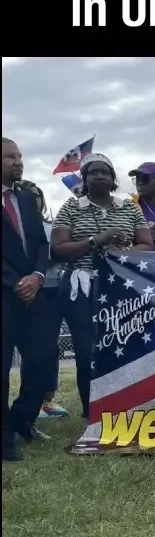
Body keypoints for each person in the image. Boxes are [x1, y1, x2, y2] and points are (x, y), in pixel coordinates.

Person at [51, 154, 153, 420]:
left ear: (113, 178)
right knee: (86, 353)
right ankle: (92, 412)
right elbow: (58, 250)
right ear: (84, 179)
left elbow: (147, 244)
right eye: (92, 172)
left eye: (104, 172)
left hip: (120, 288)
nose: (98, 176)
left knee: (124, 347)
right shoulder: (72, 207)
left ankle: (124, 407)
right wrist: (96, 240)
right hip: (81, 288)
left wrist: (123, 251)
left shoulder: (129, 207)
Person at [2, 138, 53, 461]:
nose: (18, 161)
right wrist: (16, 282)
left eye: (20, 156)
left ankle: (20, 420)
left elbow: (39, 245)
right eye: (10, 156)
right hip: (5, 295)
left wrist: (37, 276)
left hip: (33, 293)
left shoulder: (25, 198)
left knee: (44, 360)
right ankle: (4, 440)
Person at [18, 182, 67, 419]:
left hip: (51, 292)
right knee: (31, 352)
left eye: (37, 195)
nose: (33, 199)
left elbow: (60, 253)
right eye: (28, 194)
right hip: (21, 293)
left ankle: (47, 400)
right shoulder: (14, 227)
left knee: (49, 349)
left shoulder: (52, 227)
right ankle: (29, 404)